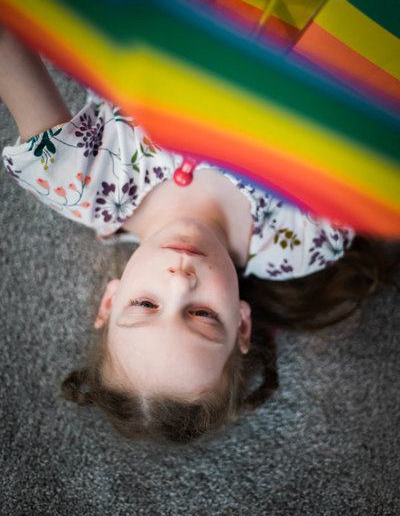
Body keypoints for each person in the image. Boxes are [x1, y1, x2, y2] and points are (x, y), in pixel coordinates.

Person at [1, 27, 398, 444]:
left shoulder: (80, 182)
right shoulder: (302, 243)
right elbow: (369, 119)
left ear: (110, 300)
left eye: (146, 303)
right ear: (242, 325)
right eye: (203, 315)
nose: (180, 279)